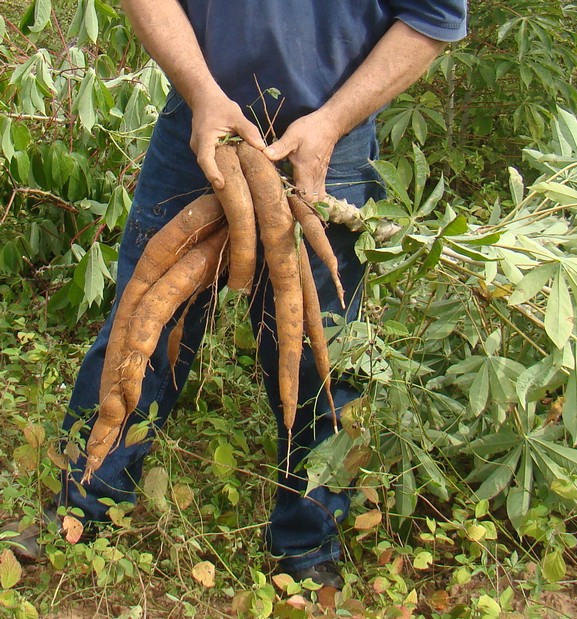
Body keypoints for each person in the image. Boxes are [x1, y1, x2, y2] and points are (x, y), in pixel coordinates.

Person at [2, 0, 467, 589]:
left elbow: (432, 19)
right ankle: (79, 507)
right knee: (142, 320)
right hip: (201, 125)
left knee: (320, 351)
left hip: (331, 141)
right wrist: (200, 91)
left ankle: (309, 536)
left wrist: (328, 123)